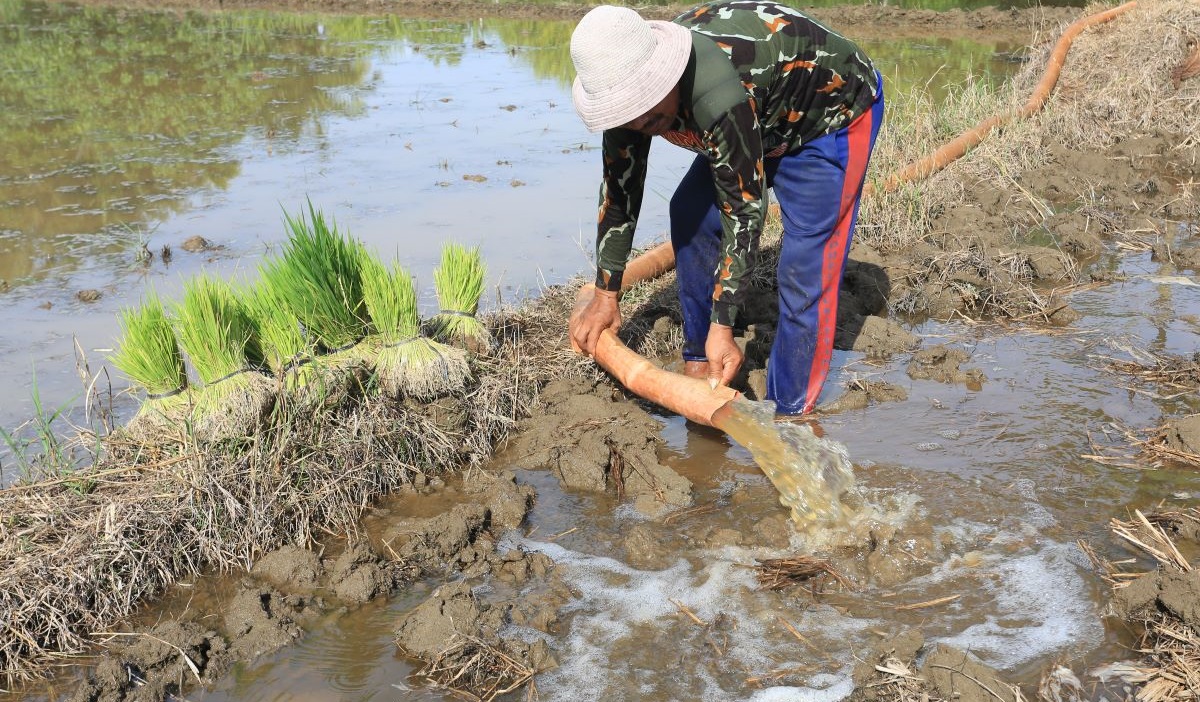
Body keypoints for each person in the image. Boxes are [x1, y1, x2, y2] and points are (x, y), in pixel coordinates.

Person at [567, 1, 884, 415]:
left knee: (805, 268)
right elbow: (620, 192)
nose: (638, 120)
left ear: (665, 76)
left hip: (826, 115)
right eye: (627, 112)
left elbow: (744, 210)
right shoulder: (629, 98)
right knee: (689, 215)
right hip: (757, 116)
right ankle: (700, 363)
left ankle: (791, 414)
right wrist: (607, 293)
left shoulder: (718, 92)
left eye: (644, 107)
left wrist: (725, 322)